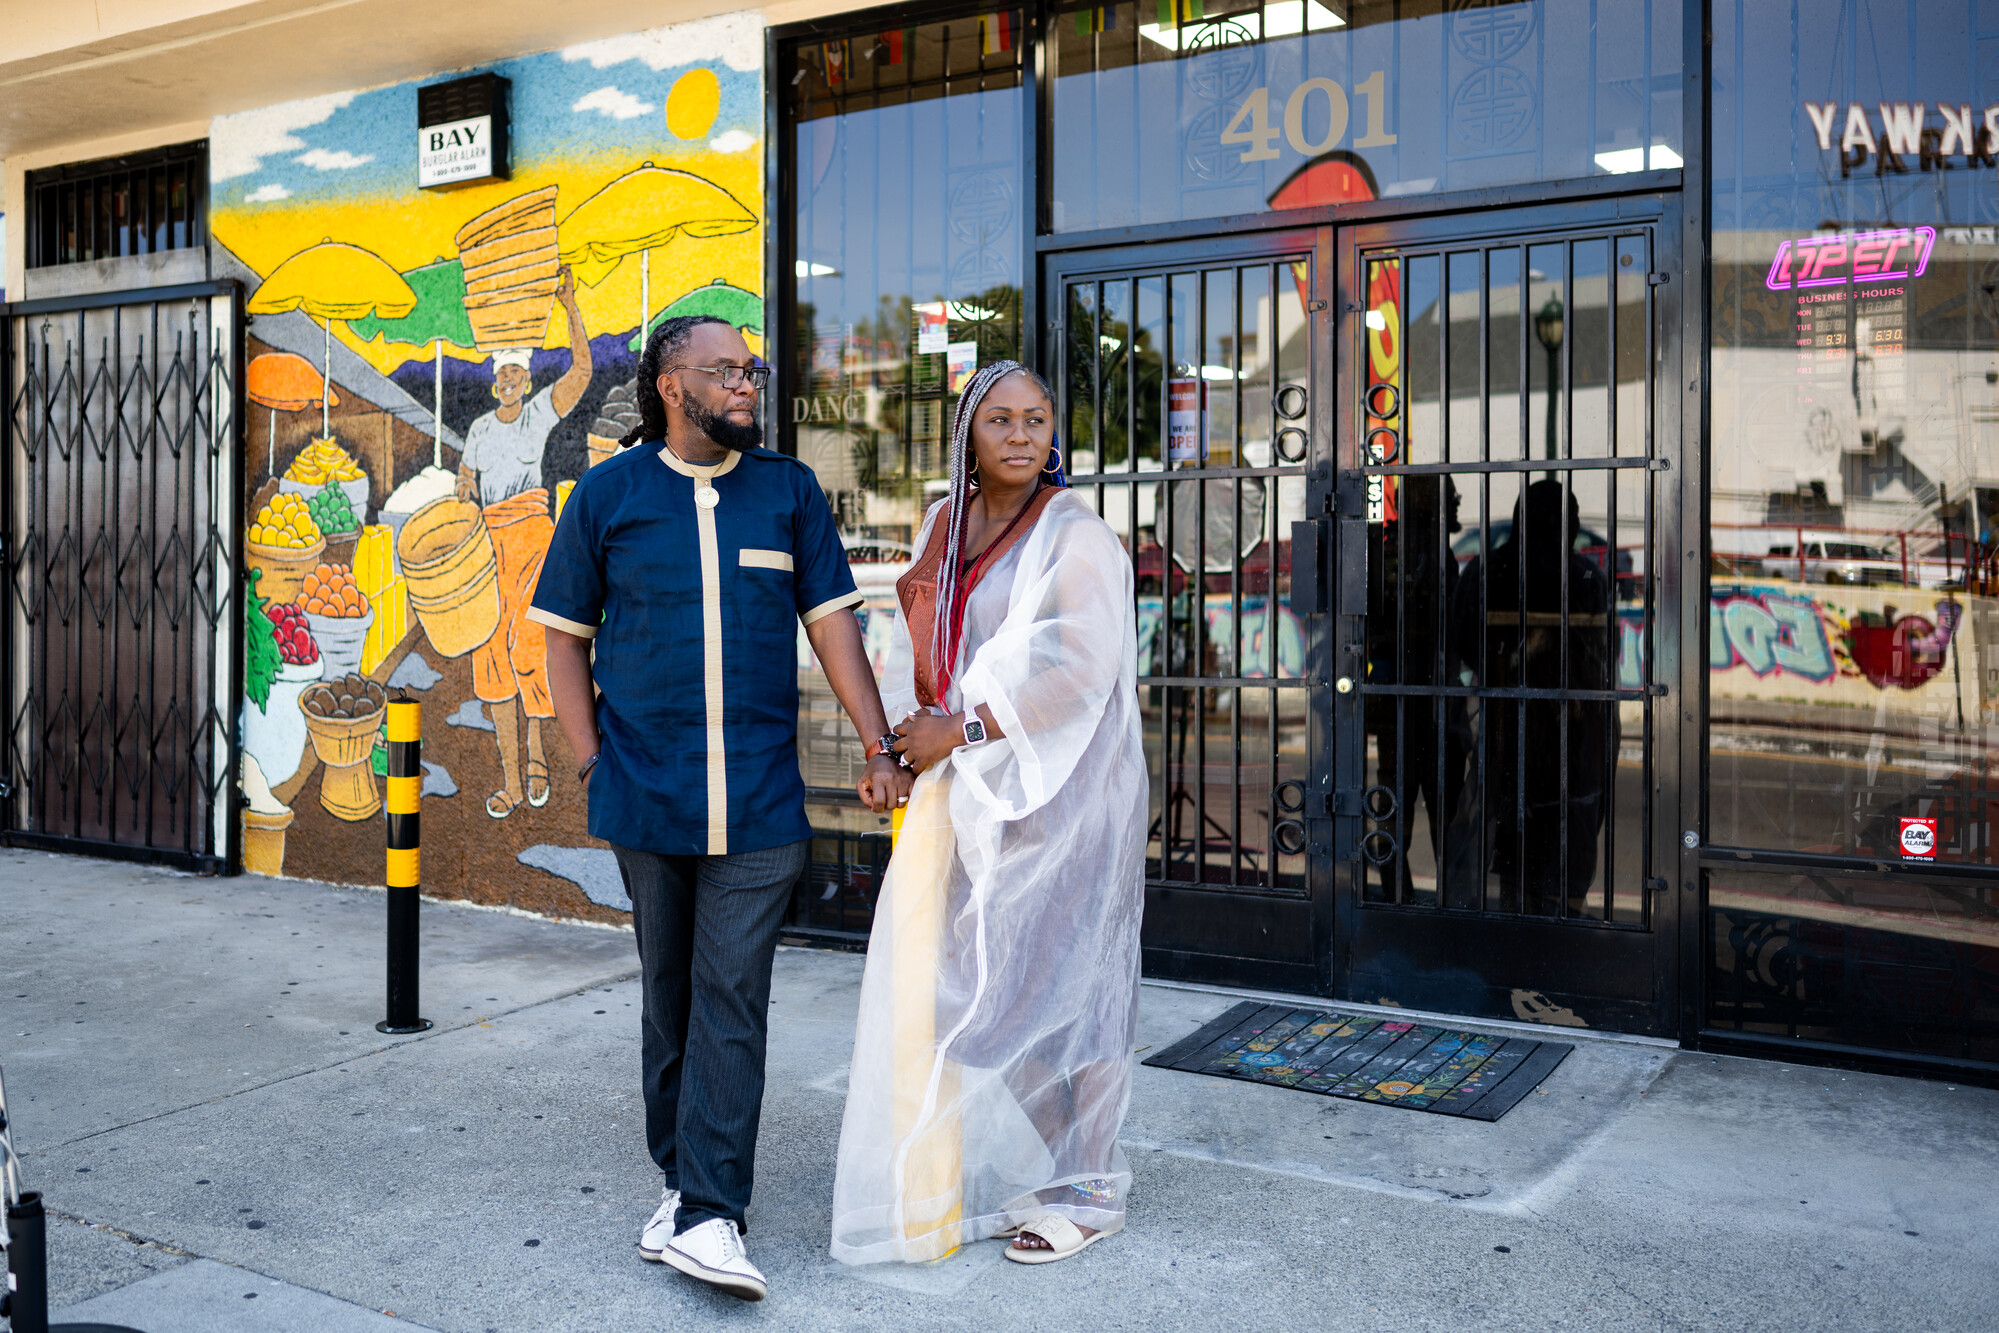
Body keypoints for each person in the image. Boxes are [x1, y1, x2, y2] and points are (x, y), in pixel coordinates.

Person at [529, 315, 910, 1302]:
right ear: (668, 384)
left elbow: (834, 630)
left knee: (731, 996)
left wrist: (877, 746)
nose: (747, 385)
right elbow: (563, 639)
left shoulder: (785, 493)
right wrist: (586, 759)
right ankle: (680, 1180)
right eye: (726, 371)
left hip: (761, 802)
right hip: (644, 794)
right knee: (671, 998)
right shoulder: (608, 498)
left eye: (751, 369)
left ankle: (711, 1211)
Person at [829, 360, 1146, 1267]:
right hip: (965, 791)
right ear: (969, 432)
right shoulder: (942, 522)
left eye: (1037, 419)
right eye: (1000, 419)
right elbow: (917, 644)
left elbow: (1084, 669)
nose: (1020, 434)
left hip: (1068, 794)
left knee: (1069, 988)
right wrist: (893, 749)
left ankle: (1091, 1184)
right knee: (984, 995)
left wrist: (960, 727)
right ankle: (1062, 1169)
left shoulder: (1075, 534)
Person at [456, 265, 591, 819]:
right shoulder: (479, 429)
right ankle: (511, 780)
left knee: (529, 648)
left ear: (528, 380)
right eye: (502, 373)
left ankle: (537, 757)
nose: (509, 379)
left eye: (516, 371)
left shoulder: (538, 415)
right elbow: (466, 478)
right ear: (494, 383)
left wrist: (569, 305)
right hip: (489, 547)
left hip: (534, 538)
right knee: (492, 659)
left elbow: (582, 370)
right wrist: (463, 493)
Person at [1449, 479, 1612, 915]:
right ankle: (1556, 923)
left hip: (1507, 728)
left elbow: (1460, 645)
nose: (1574, 527)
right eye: (1569, 519)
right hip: (1565, 737)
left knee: (1504, 836)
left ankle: (1505, 926)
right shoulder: (1586, 579)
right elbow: (1603, 663)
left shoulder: (1485, 572)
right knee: (1557, 842)